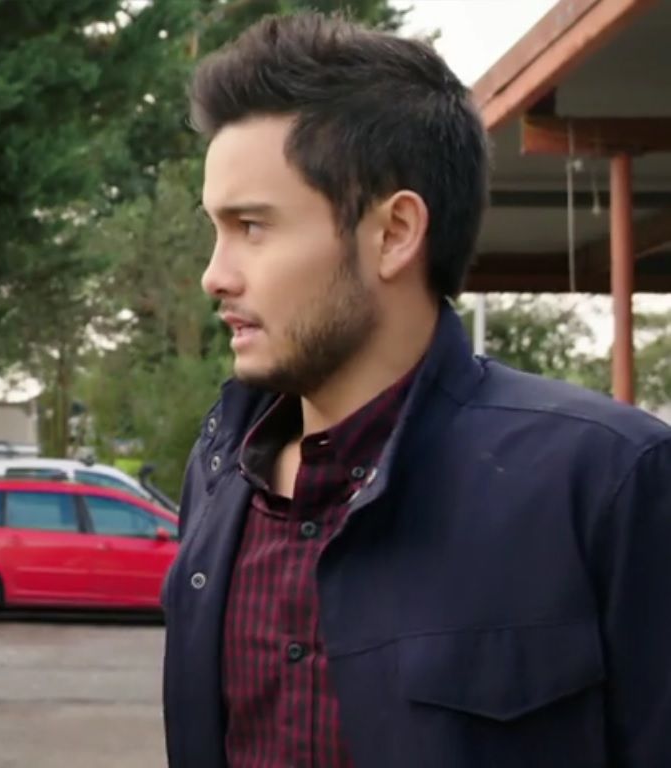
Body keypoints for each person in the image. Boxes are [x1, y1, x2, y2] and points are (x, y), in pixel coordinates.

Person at [162, 12, 671, 768]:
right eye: (216, 228)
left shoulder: (606, 480)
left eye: (252, 226)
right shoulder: (219, 475)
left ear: (395, 232)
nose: (215, 275)